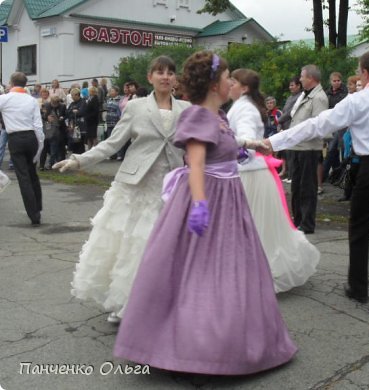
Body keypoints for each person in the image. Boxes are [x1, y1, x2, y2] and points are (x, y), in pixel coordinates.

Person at [114, 50, 297, 375]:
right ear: (215, 84)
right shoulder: (198, 116)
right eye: (227, 78)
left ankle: (227, 344)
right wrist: (199, 205)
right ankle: (197, 351)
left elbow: (220, 146)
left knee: (229, 271)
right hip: (210, 198)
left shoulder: (217, 117)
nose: (231, 83)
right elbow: (196, 163)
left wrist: (247, 147)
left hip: (229, 198)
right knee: (204, 273)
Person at [263, 50, 369, 330]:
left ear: (364, 72)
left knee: (359, 229)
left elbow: (318, 125)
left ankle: (358, 286)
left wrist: (275, 141)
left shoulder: (357, 100)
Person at [52, 55, 191, 323]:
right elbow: (112, 143)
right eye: (159, 72)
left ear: (175, 79)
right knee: (131, 245)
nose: (165, 76)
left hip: (171, 186)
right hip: (136, 187)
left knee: (164, 247)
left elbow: (197, 144)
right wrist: (78, 159)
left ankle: (161, 303)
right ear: (150, 77)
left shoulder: (186, 108)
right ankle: (122, 302)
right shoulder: (136, 107)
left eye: (170, 72)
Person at [227, 68, 320, 292]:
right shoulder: (240, 106)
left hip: (250, 174)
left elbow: (248, 141)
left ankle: (255, 274)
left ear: (244, 87)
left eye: (233, 81)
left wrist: (229, 149)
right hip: (248, 172)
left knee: (255, 227)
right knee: (250, 227)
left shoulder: (245, 109)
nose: (229, 84)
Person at [285, 64, 328, 234]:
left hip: (308, 149)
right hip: (296, 146)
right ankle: (297, 220)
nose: (300, 79)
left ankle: (307, 223)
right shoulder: (304, 94)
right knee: (296, 186)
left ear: (311, 78)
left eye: (302, 76)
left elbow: (318, 124)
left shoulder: (319, 98)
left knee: (307, 187)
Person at [0, 72, 44, 225]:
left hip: (15, 138)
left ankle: (34, 214)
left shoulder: (4, 99)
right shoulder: (31, 100)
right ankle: (38, 207)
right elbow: (38, 125)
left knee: (23, 177)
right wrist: (40, 148)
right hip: (31, 137)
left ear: (11, 83)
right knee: (33, 175)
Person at [323, 71, 348, 183]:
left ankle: (326, 174)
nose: (337, 82)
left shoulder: (345, 91)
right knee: (332, 150)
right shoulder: (326, 93)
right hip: (331, 122)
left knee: (338, 148)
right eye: (334, 81)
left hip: (342, 123)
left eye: (338, 80)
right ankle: (336, 174)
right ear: (331, 81)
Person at [277, 76, 302, 181]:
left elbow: (290, 112)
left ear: (298, 86)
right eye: (290, 85)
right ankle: (290, 174)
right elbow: (284, 110)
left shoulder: (300, 96)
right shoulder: (290, 97)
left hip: (293, 126)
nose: (290, 87)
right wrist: (280, 124)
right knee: (287, 153)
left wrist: (279, 120)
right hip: (285, 126)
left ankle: (293, 176)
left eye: (292, 85)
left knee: (293, 153)